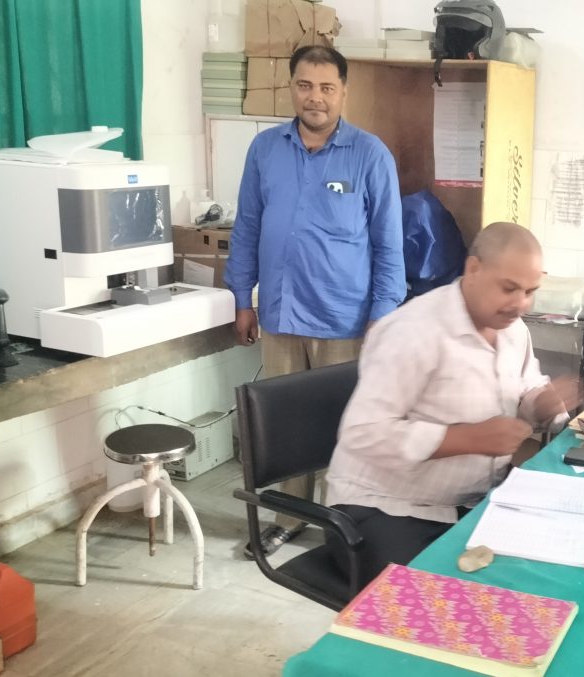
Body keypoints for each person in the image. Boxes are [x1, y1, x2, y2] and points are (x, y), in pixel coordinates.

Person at [324, 222, 581, 587]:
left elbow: (526, 384)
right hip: (382, 508)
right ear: (473, 269)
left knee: (541, 579)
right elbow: (363, 433)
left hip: (470, 504)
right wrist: (467, 439)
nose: (520, 304)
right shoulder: (414, 331)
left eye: (530, 291)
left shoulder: (512, 329)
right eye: (509, 288)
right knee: (441, 604)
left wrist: (542, 403)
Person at [224, 45, 406, 559]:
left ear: (344, 92)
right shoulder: (265, 149)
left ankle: (342, 526)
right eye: (305, 85)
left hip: (345, 318)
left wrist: (383, 317)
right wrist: (242, 298)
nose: (315, 98)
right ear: (292, 88)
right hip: (280, 313)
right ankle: (288, 519)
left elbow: (388, 244)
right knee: (284, 428)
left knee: (343, 427)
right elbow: (247, 227)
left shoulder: (369, 154)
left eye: (327, 87)